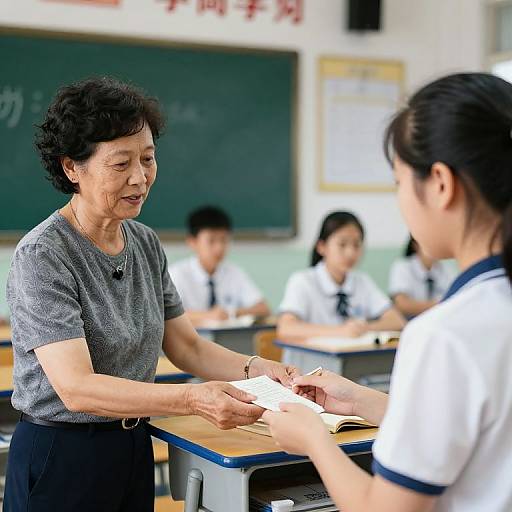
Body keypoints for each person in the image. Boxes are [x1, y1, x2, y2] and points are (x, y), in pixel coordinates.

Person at [4, 77, 297, 512]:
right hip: (60, 452)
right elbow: (76, 388)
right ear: (72, 169)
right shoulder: (44, 254)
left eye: (148, 159)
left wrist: (257, 369)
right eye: (121, 164)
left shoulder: (144, 242)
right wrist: (191, 398)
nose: (140, 178)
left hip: (132, 442)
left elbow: (187, 347)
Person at [263, 73, 512, 511]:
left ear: (440, 183)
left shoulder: (444, 334)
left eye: (399, 182)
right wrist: (363, 401)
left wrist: (317, 442)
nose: (400, 201)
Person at [277, 211, 405, 340]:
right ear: (322, 247)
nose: (350, 253)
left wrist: (363, 328)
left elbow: (396, 321)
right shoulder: (302, 281)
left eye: (356, 245)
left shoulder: (362, 281)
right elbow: (286, 327)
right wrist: (340, 331)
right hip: (309, 359)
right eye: (342, 244)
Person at [169, 206, 271, 326]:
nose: (219, 248)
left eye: (223, 240)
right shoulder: (176, 274)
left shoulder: (234, 273)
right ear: (193, 242)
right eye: (211, 241)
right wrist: (208, 316)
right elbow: (165, 314)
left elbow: (263, 309)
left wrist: (230, 313)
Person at [389, 236, 455, 318]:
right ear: (415, 245)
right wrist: (439, 304)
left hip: (437, 319)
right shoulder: (403, 267)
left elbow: (455, 300)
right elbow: (402, 305)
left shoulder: (446, 269)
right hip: (410, 321)